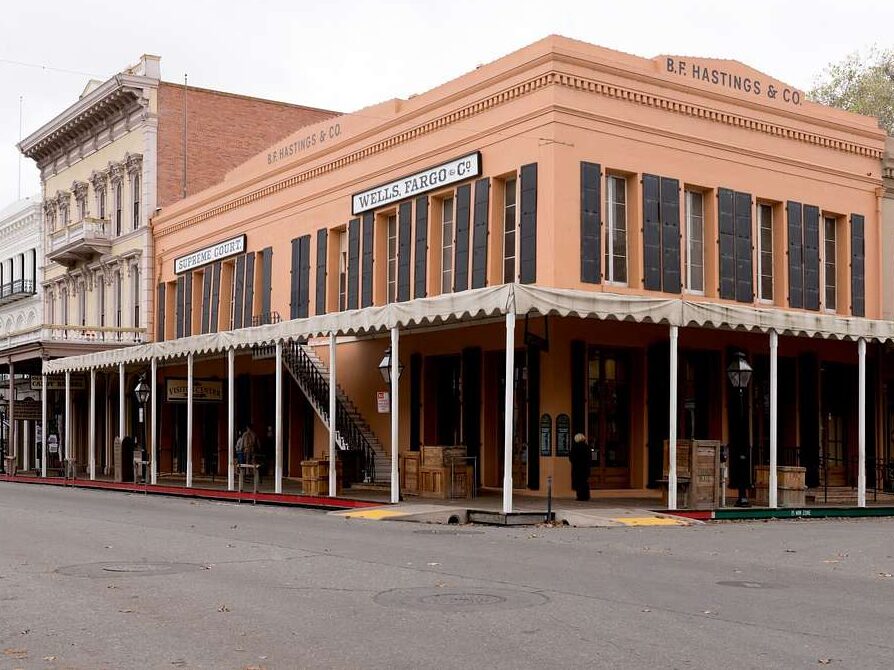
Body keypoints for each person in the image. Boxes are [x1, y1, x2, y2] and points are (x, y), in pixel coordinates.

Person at [569, 433, 591, 501]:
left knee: (578, 482)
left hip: (577, 468)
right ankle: (586, 496)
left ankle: (580, 496)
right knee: (584, 482)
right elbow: (589, 457)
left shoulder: (575, 447)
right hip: (585, 468)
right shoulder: (586, 446)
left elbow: (571, 458)